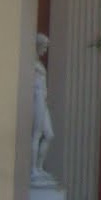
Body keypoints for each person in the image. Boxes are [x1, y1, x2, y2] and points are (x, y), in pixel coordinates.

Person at [31, 33, 55, 186]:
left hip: (42, 100)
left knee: (49, 135)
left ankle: (39, 168)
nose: (45, 51)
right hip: (37, 99)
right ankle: (33, 169)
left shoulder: (37, 63)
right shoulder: (31, 63)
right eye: (44, 47)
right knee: (37, 134)